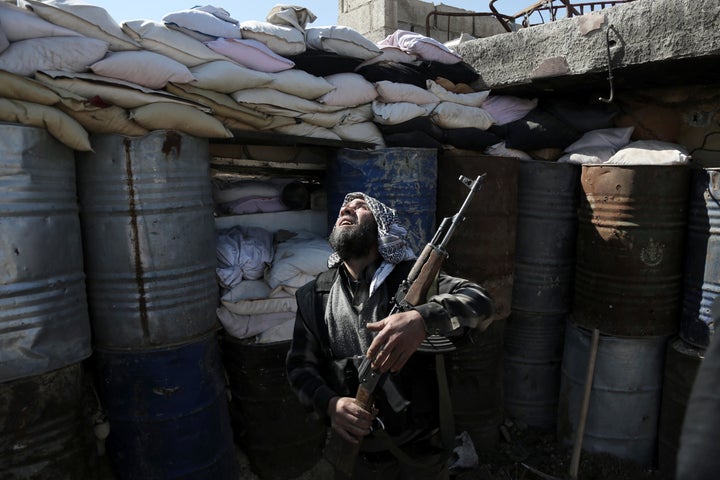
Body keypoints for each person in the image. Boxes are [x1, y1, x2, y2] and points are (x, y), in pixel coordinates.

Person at [286, 192, 494, 479]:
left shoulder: (411, 282)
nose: (347, 208)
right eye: (344, 207)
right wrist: (330, 404)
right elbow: (299, 366)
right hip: (355, 454)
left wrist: (421, 319)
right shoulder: (313, 296)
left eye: (360, 207)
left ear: (381, 227)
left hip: (419, 453)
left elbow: (481, 303)